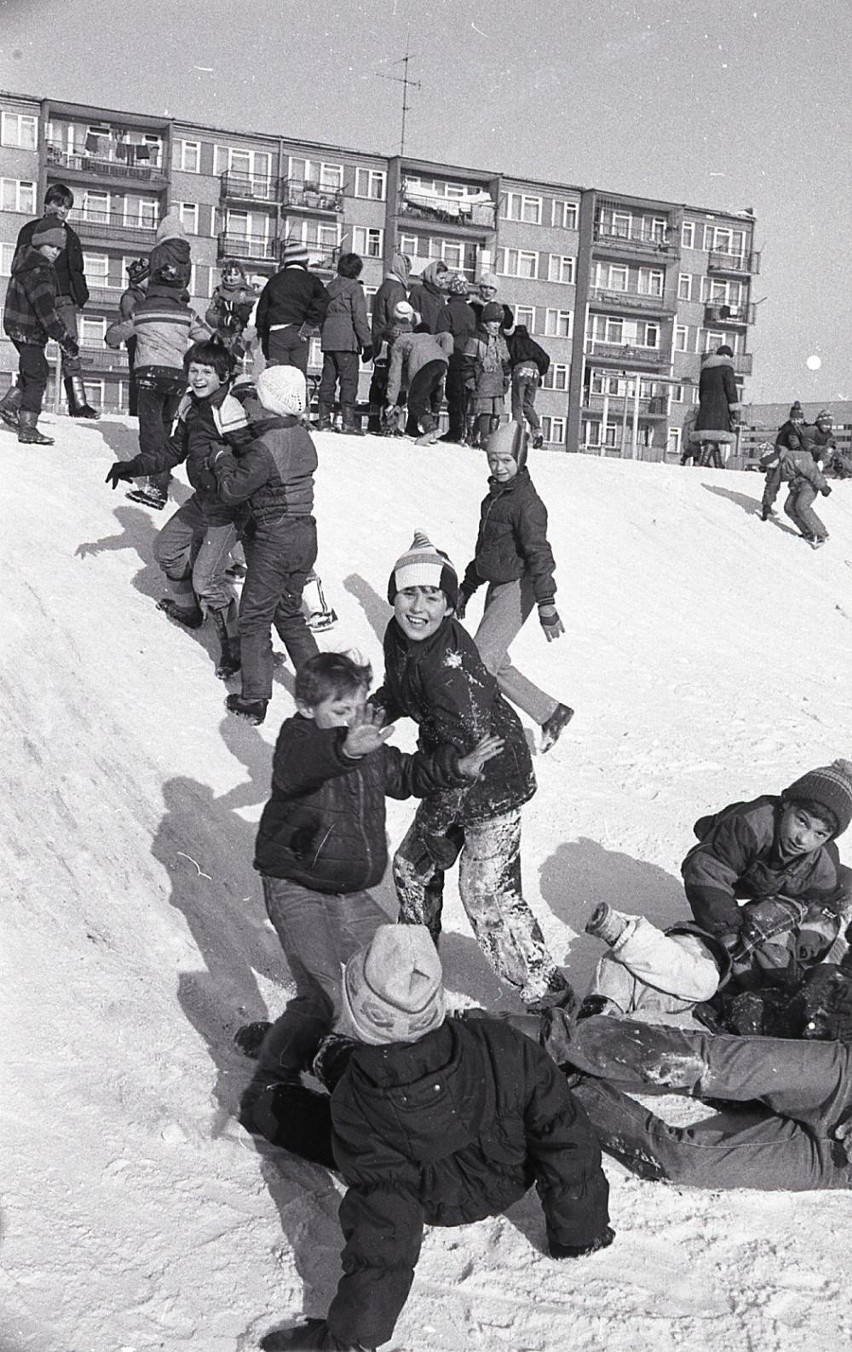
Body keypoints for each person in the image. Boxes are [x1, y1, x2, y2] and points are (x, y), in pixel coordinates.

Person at [251, 925, 612, 1352]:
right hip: (509, 1173)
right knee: (375, 1073)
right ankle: (318, 1052)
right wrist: (579, 1232)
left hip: (433, 1195)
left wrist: (345, 1342)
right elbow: (565, 1133)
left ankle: (277, 1090)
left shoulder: (359, 1109)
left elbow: (386, 1228)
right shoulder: (500, 1043)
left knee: (312, 1112)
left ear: (361, 1013)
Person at [236, 653, 500, 1091]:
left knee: (401, 966)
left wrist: (457, 767)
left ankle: (420, 1064)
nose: (352, 720)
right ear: (306, 708)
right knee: (323, 995)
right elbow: (298, 768)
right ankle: (280, 1069)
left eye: (357, 708)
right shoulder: (299, 741)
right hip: (296, 888)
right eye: (340, 712)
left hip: (347, 894)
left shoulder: (366, 747)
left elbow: (407, 773)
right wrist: (344, 749)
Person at [375, 532, 575, 1012]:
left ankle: (550, 995)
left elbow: (463, 770)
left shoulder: (451, 676)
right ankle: (416, 967)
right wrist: (369, 717)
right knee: (412, 869)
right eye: (408, 593)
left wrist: (436, 828)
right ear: (393, 597)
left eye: (432, 595)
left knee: (486, 893)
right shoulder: (399, 637)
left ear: (448, 605)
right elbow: (399, 691)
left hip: (492, 781)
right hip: (451, 767)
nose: (418, 607)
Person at [537, 1009, 852, 1193]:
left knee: (685, 1165)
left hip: (838, 1165)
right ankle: (544, 1038)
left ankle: (558, 1084)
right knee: (705, 1065)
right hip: (843, 1083)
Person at [105, 339, 251, 681]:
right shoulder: (190, 405)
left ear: (223, 376)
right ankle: (189, 611)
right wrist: (134, 466)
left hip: (228, 507)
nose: (198, 377)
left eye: (206, 372)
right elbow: (173, 450)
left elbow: (251, 459)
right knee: (166, 550)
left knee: (207, 579)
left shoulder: (229, 411)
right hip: (203, 499)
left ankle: (235, 647)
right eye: (194, 370)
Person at [679, 759, 852, 1025]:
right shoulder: (750, 824)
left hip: (778, 881)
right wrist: (728, 932)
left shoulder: (822, 861)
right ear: (786, 805)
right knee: (728, 935)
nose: (803, 838)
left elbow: (825, 899)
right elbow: (707, 872)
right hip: (736, 860)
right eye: (801, 821)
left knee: (783, 938)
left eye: (819, 834)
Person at [207, 364, 321, 725]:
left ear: (271, 400)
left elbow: (232, 491)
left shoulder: (264, 448)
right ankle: (321, 689)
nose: (253, 401)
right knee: (289, 613)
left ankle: (255, 697)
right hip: (305, 535)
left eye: (258, 395)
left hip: (275, 539)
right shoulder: (300, 434)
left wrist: (221, 459)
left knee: (255, 617)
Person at [457, 422, 574, 753]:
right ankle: (551, 713)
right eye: (493, 460)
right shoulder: (492, 499)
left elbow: (540, 555)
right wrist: (467, 587)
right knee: (495, 660)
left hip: (519, 587)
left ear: (520, 459)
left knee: (480, 661)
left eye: (506, 460)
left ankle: (483, 736)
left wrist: (546, 604)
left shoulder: (527, 503)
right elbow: (485, 551)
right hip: (497, 586)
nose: (499, 467)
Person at [105, 267, 212, 512]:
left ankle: (156, 489)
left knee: (151, 429)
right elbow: (209, 337)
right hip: (177, 377)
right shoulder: (188, 313)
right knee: (165, 427)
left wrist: (114, 340)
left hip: (149, 376)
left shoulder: (141, 310)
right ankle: (161, 472)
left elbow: (112, 336)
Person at [9, 182, 97, 421]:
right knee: (33, 349)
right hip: (38, 296)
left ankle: (78, 402)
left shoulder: (71, 235)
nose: (61, 209)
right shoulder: (30, 230)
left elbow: (76, 269)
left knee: (70, 343)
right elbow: (20, 261)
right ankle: (15, 399)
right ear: (47, 203)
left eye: (66, 206)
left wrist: (80, 296)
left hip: (63, 297)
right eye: (57, 203)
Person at [1, 216, 80, 445]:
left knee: (34, 368)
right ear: (39, 243)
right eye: (51, 246)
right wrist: (64, 338)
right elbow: (46, 310)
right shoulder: (41, 270)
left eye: (58, 248)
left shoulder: (24, 261)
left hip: (16, 326)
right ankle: (28, 426)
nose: (55, 252)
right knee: (38, 375)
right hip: (30, 329)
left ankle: (8, 406)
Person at [254, 240, 330, 374]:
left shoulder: (274, 281)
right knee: (297, 376)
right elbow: (323, 300)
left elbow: (262, 312)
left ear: (286, 262)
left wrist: (264, 339)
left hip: (277, 333)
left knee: (278, 376)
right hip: (300, 332)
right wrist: (310, 324)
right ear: (305, 262)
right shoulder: (311, 280)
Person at [316, 251, 371, 435]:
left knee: (328, 379)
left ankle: (324, 419)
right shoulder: (355, 288)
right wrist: (367, 342)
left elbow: (321, 313)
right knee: (348, 381)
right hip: (348, 340)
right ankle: (348, 422)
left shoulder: (329, 287)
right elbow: (360, 318)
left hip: (329, 339)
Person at [384, 301, 453, 446]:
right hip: (441, 362)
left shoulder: (399, 342)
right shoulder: (426, 337)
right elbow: (446, 336)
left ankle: (430, 428)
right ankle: (431, 430)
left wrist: (391, 401)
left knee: (414, 402)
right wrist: (446, 353)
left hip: (426, 365)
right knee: (422, 398)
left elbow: (395, 373)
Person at [761, 438, 833, 547]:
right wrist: (767, 504)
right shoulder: (773, 469)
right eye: (767, 464)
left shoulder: (793, 457)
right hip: (796, 486)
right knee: (788, 507)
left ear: (776, 455)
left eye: (771, 461)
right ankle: (808, 532)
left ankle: (822, 534)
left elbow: (812, 470)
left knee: (801, 506)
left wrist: (823, 486)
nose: (770, 465)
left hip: (809, 483)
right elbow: (771, 486)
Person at [367, 252, 410, 431]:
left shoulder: (384, 286)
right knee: (393, 383)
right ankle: (390, 424)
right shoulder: (397, 289)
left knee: (379, 380)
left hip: (379, 340)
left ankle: (374, 420)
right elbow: (399, 316)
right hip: (392, 342)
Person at [462, 300, 512, 447]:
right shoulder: (476, 338)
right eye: (493, 321)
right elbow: (468, 359)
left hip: (496, 382)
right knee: (484, 411)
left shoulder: (500, 341)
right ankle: (480, 436)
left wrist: (507, 377)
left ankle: (490, 436)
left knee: (495, 412)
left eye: (498, 322)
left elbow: (505, 361)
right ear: (485, 321)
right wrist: (469, 377)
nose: (496, 325)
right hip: (481, 380)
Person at [435, 273, 476, 443]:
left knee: (453, 395)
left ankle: (455, 430)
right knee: (464, 397)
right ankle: (466, 431)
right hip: (468, 359)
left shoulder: (447, 310)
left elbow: (441, 335)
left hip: (452, 358)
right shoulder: (470, 311)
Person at [695, 344, 739, 469]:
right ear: (726, 356)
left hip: (706, 406)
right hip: (720, 407)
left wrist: (703, 403)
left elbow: (701, 390)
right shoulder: (726, 368)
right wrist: (734, 407)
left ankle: (719, 464)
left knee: (712, 437)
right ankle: (703, 463)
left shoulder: (705, 369)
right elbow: (731, 389)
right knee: (714, 437)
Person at [507, 324, 550, 448]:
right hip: (535, 372)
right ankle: (538, 433)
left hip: (520, 370)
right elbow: (545, 358)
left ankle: (518, 435)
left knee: (517, 404)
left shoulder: (513, 342)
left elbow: (508, 358)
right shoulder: (533, 344)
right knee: (528, 404)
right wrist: (540, 373)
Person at [119, 256, 150, 419]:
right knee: (137, 378)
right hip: (137, 343)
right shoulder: (130, 297)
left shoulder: (141, 295)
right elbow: (132, 320)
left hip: (144, 343)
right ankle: (135, 412)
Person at [205, 259, 256, 359]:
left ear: (242, 275)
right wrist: (221, 320)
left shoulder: (247, 292)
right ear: (224, 275)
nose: (231, 278)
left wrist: (239, 311)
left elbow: (254, 314)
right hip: (221, 336)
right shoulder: (218, 292)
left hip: (240, 338)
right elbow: (209, 314)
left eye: (235, 274)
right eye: (229, 274)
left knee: (235, 366)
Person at [147, 209, 192, 292]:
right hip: (180, 298)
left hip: (161, 296)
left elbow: (154, 278)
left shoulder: (159, 252)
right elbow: (187, 279)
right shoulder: (186, 254)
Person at [407, 259, 448, 333]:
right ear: (432, 275)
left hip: (434, 339)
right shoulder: (418, 292)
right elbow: (411, 316)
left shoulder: (440, 298)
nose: (443, 282)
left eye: (445, 278)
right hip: (419, 338)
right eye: (441, 278)